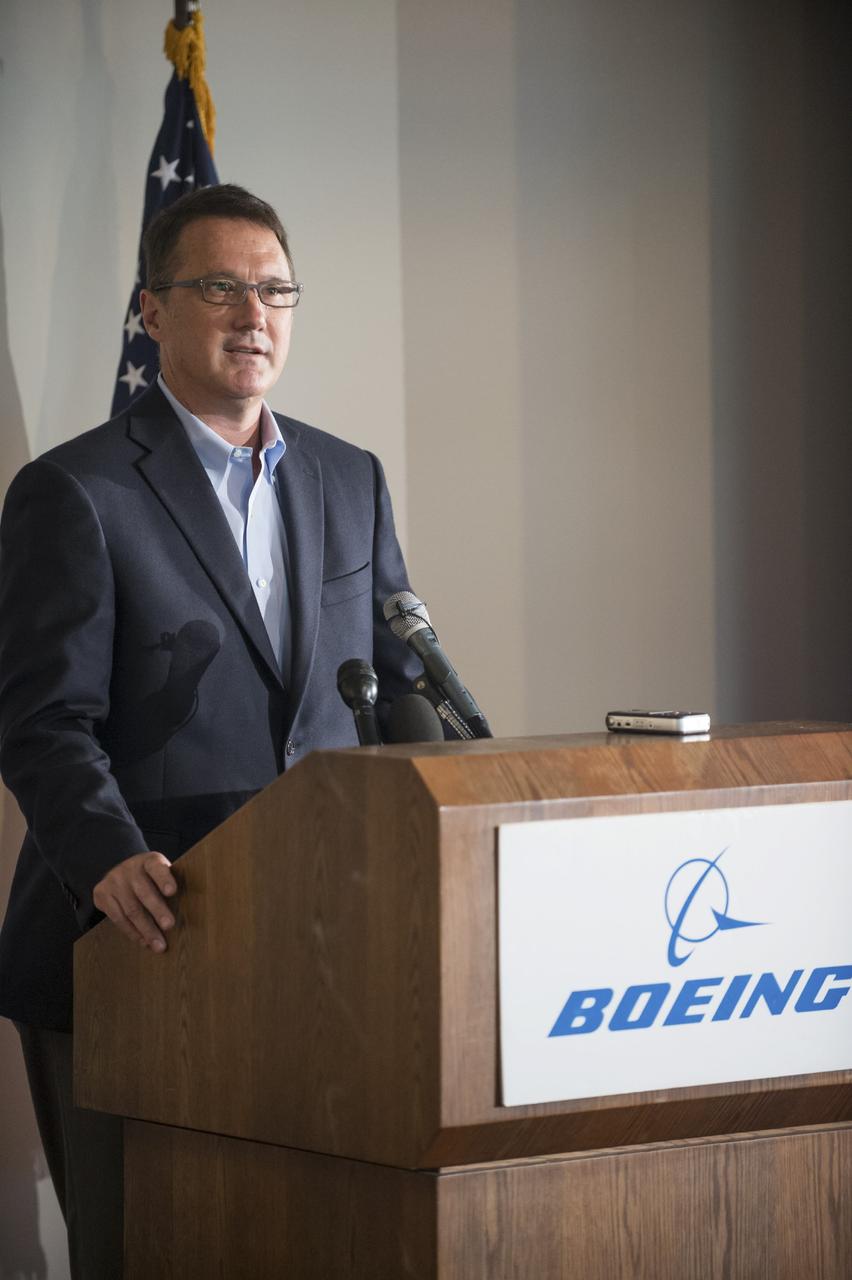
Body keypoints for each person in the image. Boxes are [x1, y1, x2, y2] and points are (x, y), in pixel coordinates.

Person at [0, 183, 419, 1277]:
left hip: (320, 951)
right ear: (152, 311)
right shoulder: (75, 491)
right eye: (220, 286)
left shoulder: (349, 476)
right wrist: (106, 858)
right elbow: (44, 719)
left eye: (275, 289)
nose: (255, 313)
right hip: (133, 939)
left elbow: (401, 686)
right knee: (144, 1247)